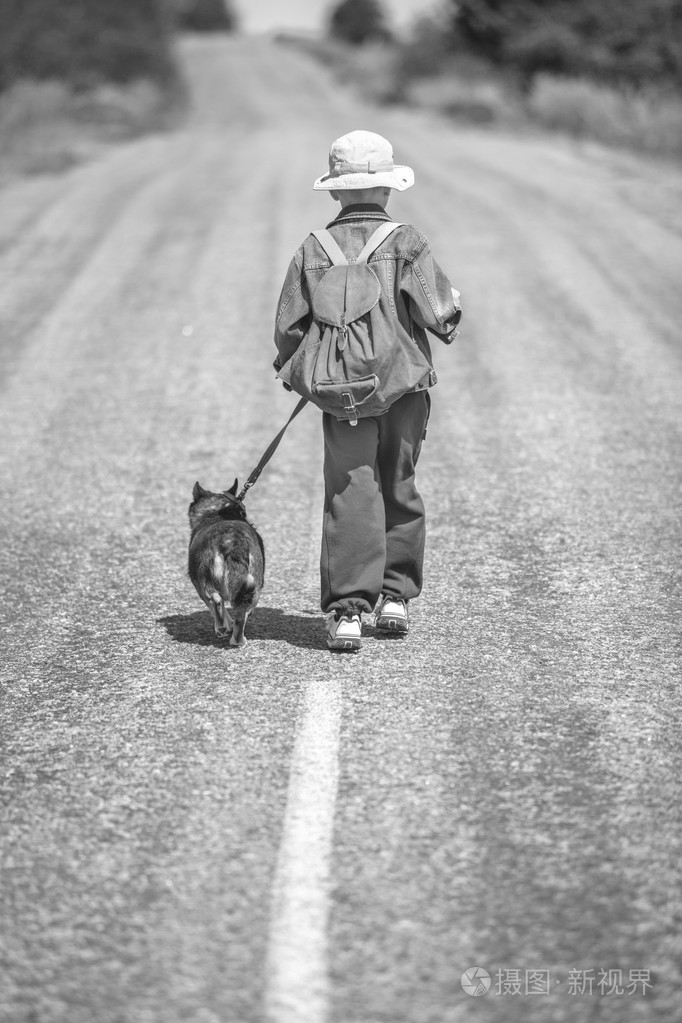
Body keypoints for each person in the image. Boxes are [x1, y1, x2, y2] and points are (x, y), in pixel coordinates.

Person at [274, 130, 461, 651]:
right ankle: (396, 597)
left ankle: (350, 610)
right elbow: (439, 314)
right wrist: (449, 316)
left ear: (335, 191)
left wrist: (299, 371)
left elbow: (289, 329)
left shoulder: (314, 249)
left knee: (352, 491)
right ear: (387, 189)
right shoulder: (406, 242)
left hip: (342, 395)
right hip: (403, 388)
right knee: (398, 482)